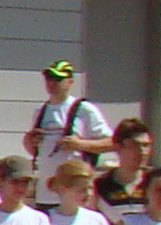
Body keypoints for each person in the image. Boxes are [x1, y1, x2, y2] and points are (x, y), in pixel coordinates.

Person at [21, 61, 111, 193]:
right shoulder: (40, 111)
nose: (52, 83)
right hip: (45, 190)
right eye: (49, 78)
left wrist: (80, 145)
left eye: (58, 79)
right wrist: (29, 142)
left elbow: (111, 142)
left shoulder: (84, 109)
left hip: (74, 191)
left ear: (69, 82)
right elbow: (36, 151)